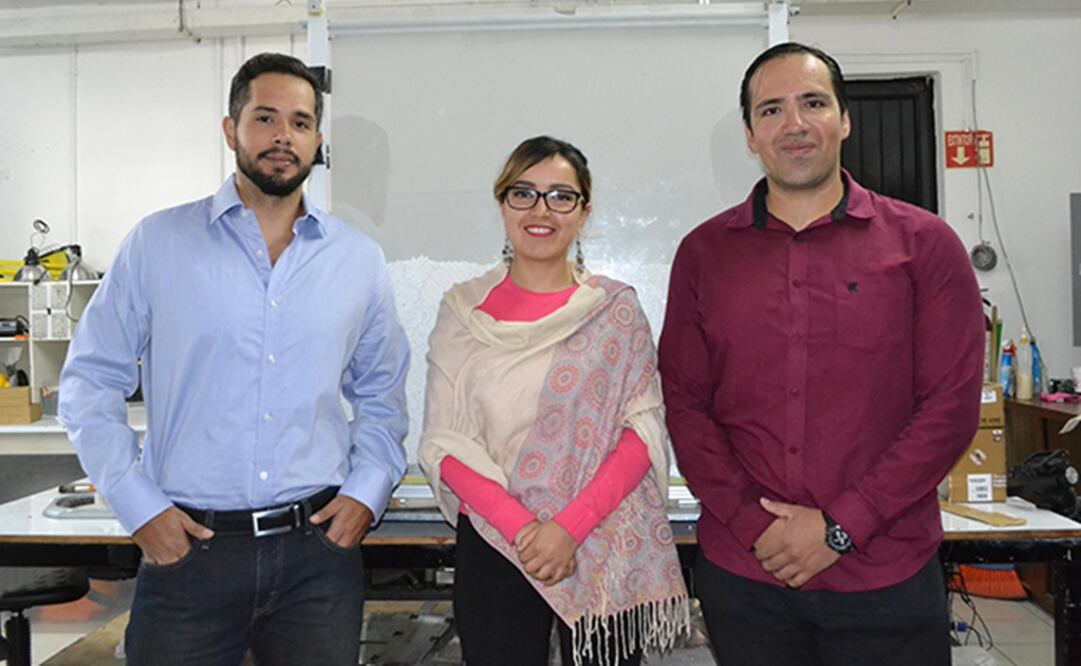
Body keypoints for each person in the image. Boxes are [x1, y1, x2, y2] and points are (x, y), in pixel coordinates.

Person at [58, 52, 409, 666]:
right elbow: (89, 382)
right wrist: (140, 508)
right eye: (265, 117)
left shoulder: (358, 261)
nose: (283, 136)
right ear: (231, 129)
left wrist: (367, 492)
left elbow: (382, 393)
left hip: (316, 560)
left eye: (300, 123)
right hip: (188, 550)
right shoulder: (158, 243)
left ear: (317, 140)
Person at [658, 42, 984, 666]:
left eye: (813, 102)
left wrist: (841, 527)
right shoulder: (702, 255)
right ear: (751, 135)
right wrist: (758, 527)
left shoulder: (926, 247)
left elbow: (947, 410)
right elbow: (686, 406)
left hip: (886, 574)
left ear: (844, 118)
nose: (795, 124)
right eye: (772, 110)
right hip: (746, 576)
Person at [419, 136, 689, 666]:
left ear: (584, 212)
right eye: (524, 193)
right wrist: (526, 531)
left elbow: (644, 430)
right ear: (502, 204)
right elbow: (444, 442)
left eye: (561, 196)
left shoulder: (614, 310)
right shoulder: (462, 311)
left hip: (602, 537)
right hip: (498, 544)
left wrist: (569, 527)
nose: (541, 210)